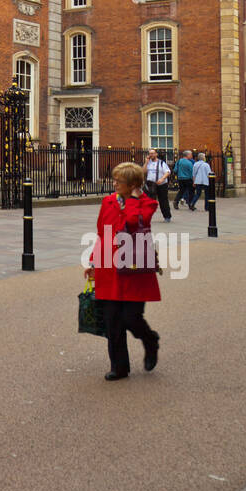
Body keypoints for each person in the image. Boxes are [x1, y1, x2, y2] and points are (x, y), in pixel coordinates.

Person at [85, 161, 161, 380]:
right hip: (109, 267)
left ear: (133, 184)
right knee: (112, 321)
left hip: (134, 267)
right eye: (115, 179)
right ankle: (119, 367)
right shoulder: (108, 201)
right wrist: (93, 262)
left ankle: (150, 339)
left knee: (131, 318)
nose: (114, 183)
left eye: (120, 181)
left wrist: (134, 200)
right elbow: (102, 232)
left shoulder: (146, 203)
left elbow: (134, 223)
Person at [144, 149, 172, 221]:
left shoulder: (161, 163)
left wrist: (162, 179)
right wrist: (146, 162)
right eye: (150, 153)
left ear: (156, 154)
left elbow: (167, 172)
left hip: (161, 184)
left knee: (163, 200)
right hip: (151, 184)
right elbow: (143, 171)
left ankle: (167, 216)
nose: (151, 155)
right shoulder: (148, 163)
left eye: (153, 153)